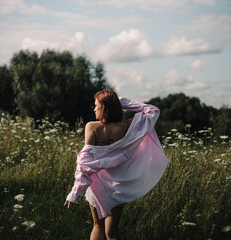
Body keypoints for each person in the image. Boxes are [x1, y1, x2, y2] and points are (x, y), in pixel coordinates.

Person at [65, 90, 168, 240]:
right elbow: (152, 110)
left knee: (97, 227)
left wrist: (76, 192)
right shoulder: (128, 126)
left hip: (97, 184)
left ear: (105, 108)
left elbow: (85, 163)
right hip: (117, 186)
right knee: (112, 234)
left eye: (96, 106)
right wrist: (121, 102)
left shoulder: (92, 127)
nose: (94, 109)